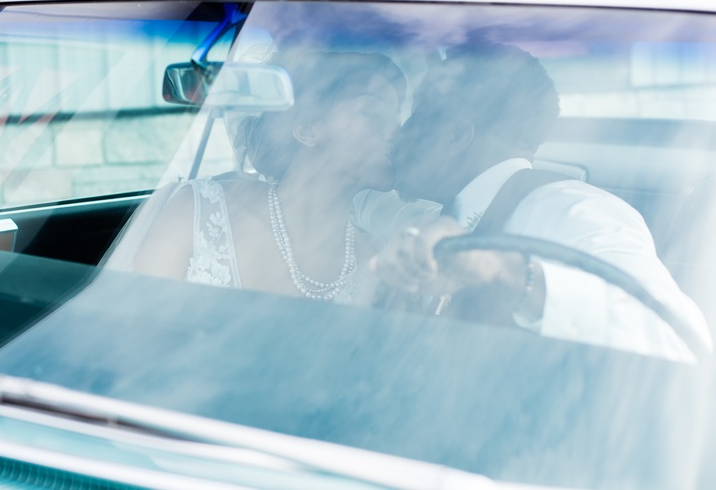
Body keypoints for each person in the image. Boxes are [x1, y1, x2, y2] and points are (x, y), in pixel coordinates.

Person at [364, 42, 712, 361]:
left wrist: (509, 274)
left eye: (416, 116)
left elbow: (677, 339)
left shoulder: (572, 210)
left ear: (456, 135)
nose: (401, 133)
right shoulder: (434, 217)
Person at [129, 50, 406, 304]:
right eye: (372, 113)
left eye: (397, 119)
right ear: (308, 130)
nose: (397, 132)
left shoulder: (373, 263)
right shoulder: (197, 211)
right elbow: (134, 336)